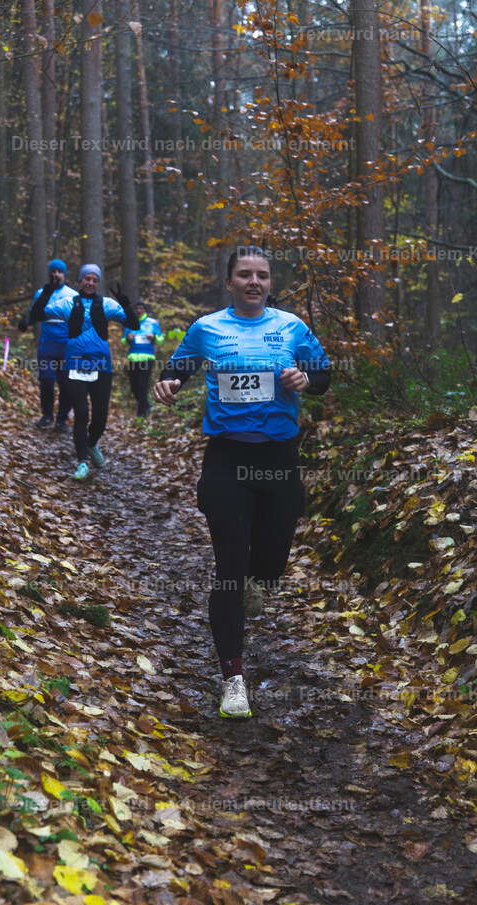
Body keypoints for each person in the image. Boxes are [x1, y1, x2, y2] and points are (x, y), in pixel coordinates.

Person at [153, 245, 331, 718]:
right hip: (227, 460)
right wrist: (168, 383)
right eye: (245, 274)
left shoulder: (291, 326)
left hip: (279, 460)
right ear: (229, 281)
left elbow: (324, 374)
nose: (254, 282)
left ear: (270, 283)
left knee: (269, 569)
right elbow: (179, 367)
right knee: (230, 566)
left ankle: (257, 584)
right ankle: (234, 678)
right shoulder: (207, 328)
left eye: (263, 275)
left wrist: (305, 380)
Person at [28, 263, 139, 481]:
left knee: (100, 418)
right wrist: (49, 290)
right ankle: (82, 463)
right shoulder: (67, 302)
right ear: (80, 280)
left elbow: (134, 324)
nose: (90, 282)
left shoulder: (107, 304)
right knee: (81, 415)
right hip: (74, 365)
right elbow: (36, 315)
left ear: (98, 283)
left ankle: (90, 444)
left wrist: (125, 302)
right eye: (86, 279)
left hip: (101, 366)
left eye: (94, 279)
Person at [17, 259, 77, 432]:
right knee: (46, 380)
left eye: (59, 271)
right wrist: (25, 323)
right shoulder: (41, 293)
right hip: (47, 344)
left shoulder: (72, 295)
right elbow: (33, 314)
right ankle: (47, 415)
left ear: (64, 274)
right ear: (50, 273)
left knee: (66, 383)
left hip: (67, 346)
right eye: (53, 271)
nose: (56, 274)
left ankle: (62, 419)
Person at [125, 300, 164, 417]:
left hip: (147, 358)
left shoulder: (152, 323)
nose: (138, 310)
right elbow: (123, 341)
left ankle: (141, 413)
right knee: (134, 386)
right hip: (132, 358)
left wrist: (154, 337)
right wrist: (128, 338)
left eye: (141, 308)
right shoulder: (129, 323)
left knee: (142, 384)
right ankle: (146, 404)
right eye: (136, 308)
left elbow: (161, 339)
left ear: (144, 310)